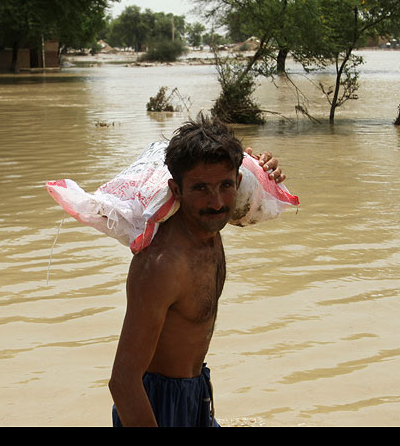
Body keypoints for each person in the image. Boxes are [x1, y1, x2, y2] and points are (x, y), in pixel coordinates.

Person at [108, 113, 285, 427]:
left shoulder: (209, 229)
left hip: (195, 391)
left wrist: (265, 166)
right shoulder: (163, 265)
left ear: (239, 182)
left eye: (225, 185)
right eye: (201, 188)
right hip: (155, 406)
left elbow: (252, 187)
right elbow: (123, 382)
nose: (216, 202)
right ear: (177, 190)